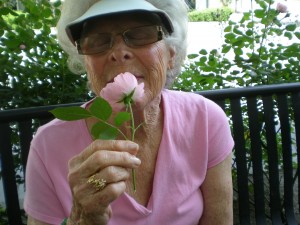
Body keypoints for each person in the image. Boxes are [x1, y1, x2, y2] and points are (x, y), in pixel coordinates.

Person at [24, 0, 234, 224]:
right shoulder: (48, 145)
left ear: (171, 55)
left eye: (141, 35)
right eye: (98, 41)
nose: (119, 52)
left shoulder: (204, 119)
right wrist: (82, 218)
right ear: (86, 64)